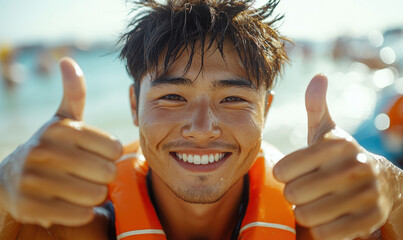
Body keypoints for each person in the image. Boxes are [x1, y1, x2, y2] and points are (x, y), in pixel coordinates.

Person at [0, 0, 402, 239]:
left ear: (266, 109)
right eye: (172, 96)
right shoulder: (60, 226)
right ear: (133, 104)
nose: (202, 126)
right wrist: (5, 184)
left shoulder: (327, 223)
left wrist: (393, 189)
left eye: (232, 98)